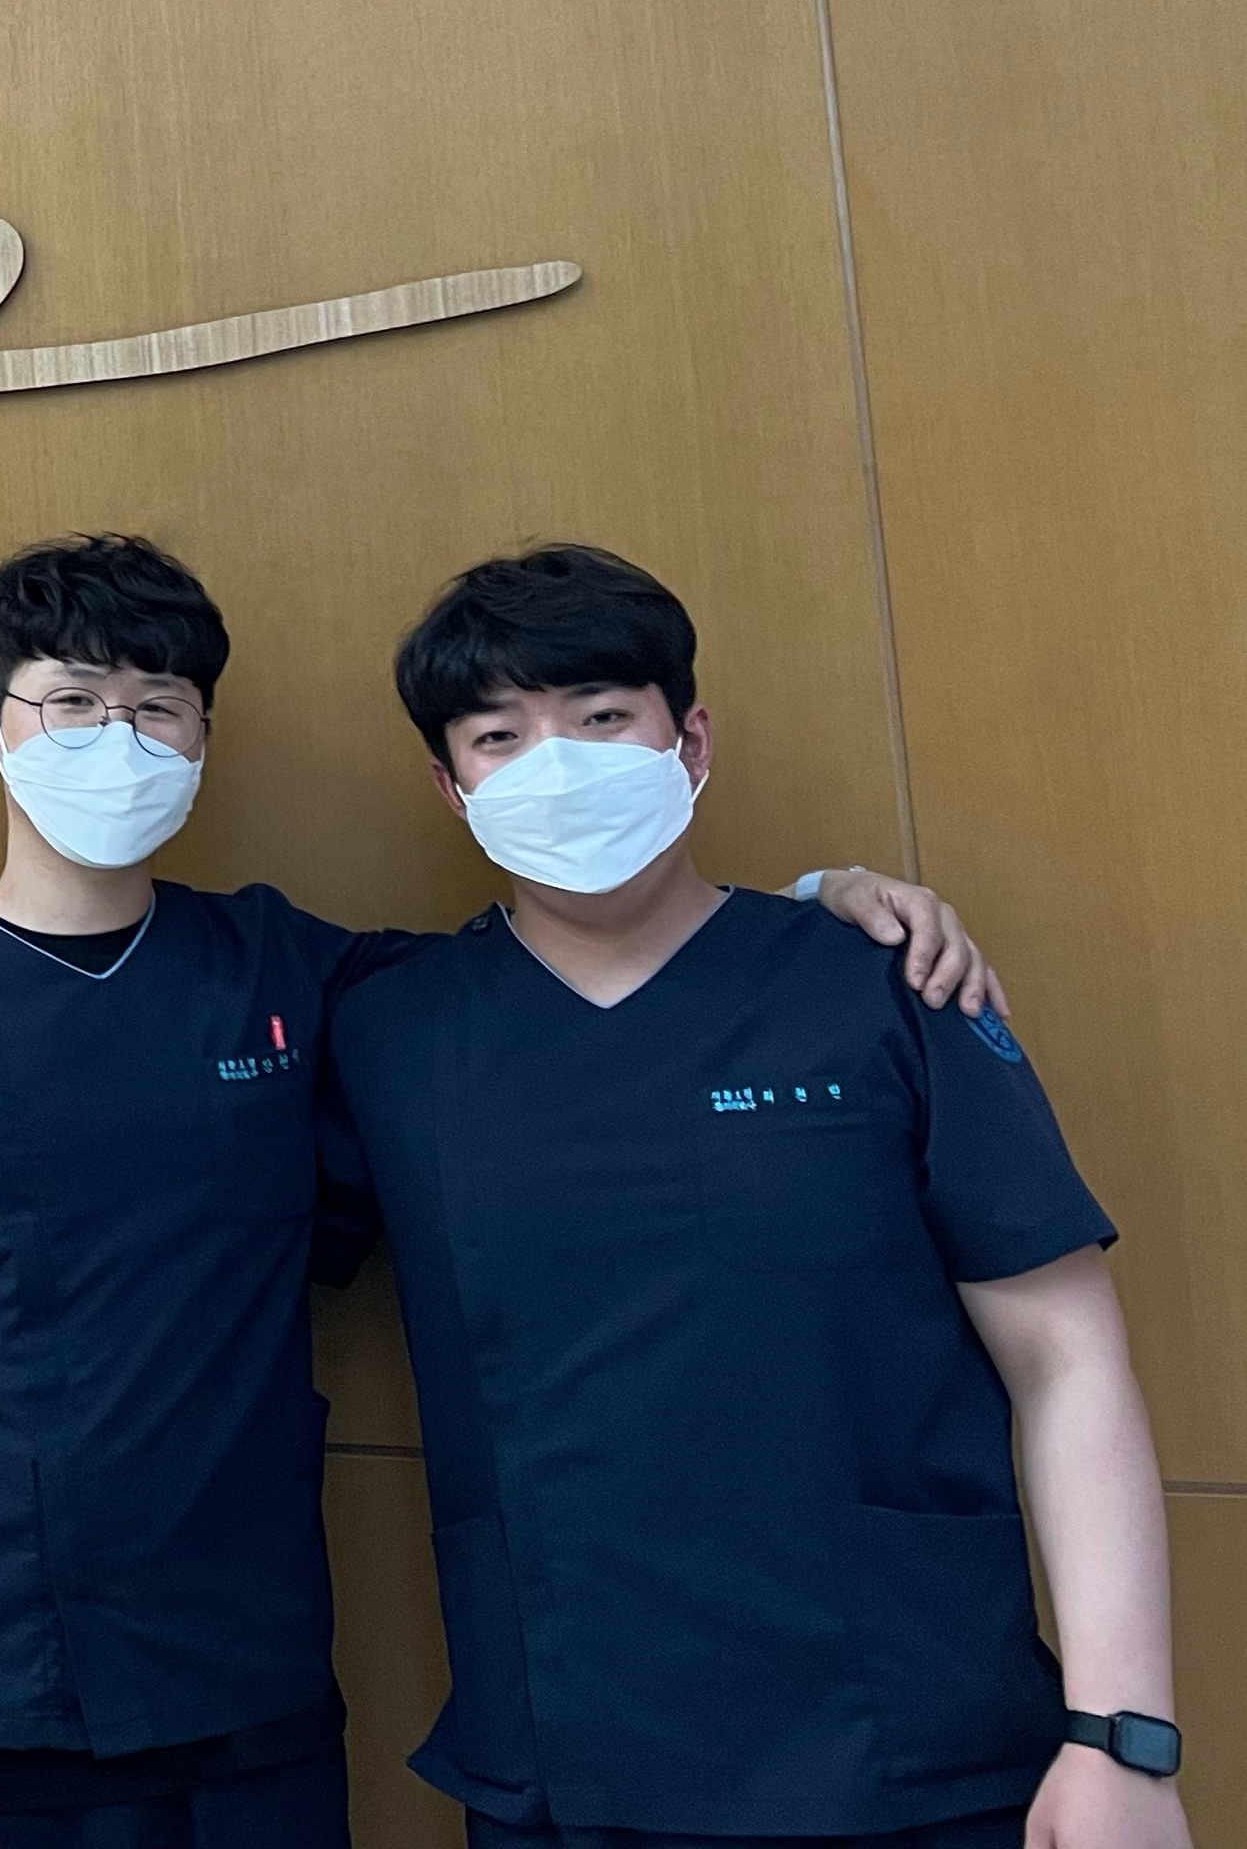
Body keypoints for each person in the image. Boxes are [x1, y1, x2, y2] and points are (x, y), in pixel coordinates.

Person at [0, 535, 999, 1849]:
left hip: (259, 1679)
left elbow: (566, 972)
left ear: (202, 737)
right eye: (72, 702)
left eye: (158, 706)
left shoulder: (287, 973)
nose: (118, 739)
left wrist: (818, 903)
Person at [322, 544, 1187, 1849]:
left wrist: (1123, 1734)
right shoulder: (390, 1031)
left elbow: (1067, 1359)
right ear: (452, 789)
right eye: (500, 737)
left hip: (910, 1742)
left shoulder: (888, 988)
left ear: (691, 741)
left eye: (602, 718)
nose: (558, 767)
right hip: (573, 1755)